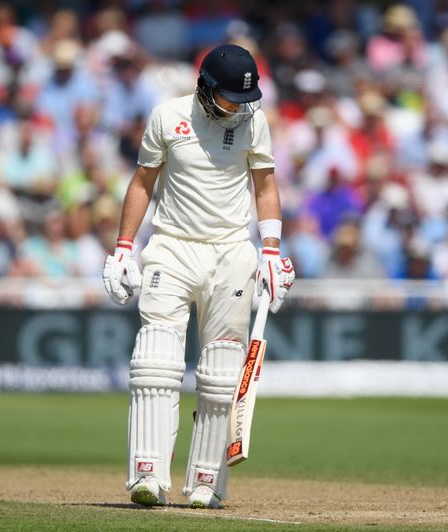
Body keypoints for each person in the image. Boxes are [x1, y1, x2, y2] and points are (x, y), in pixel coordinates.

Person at [101, 44, 295, 509]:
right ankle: (148, 474)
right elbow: (143, 182)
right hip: (171, 247)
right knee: (155, 361)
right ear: (205, 89)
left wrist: (271, 251)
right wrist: (124, 247)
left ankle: (207, 480)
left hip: (231, 253)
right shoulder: (167, 117)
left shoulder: (253, 122)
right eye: (230, 97)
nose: (239, 107)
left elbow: (265, 184)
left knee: (221, 373)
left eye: (245, 99)